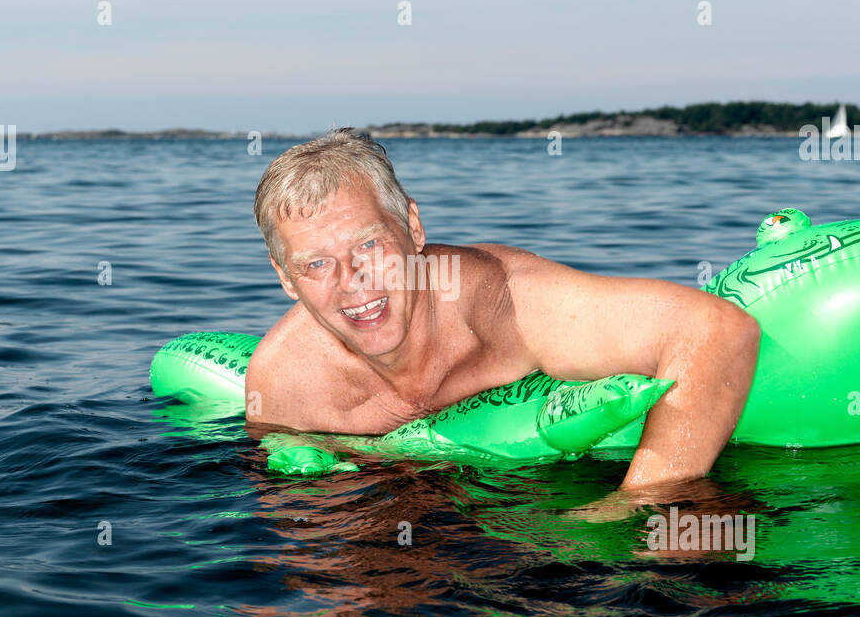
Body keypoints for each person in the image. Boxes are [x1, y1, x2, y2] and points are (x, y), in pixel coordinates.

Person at [245, 128, 759, 491]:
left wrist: (636, 504)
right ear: (284, 277)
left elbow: (716, 328)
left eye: (370, 245)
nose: (350, 280)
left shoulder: (505, 302)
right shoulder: (286, 383)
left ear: (413, 229)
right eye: (315, 263)